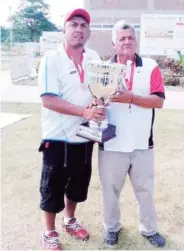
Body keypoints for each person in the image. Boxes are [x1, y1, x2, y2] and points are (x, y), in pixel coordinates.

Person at [38, 8, 104, 250]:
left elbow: (99, 91)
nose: (79, 29)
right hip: (56, 137)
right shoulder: (51, 59)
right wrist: (84, 112)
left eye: (83, 25)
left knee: (77, 184)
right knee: (52, 186)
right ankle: (49, 232)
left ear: (89, 32)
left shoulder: (94, 57)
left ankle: (69, 220)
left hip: (85, 135)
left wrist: (99, 105)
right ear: (64, 30)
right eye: (73, 24)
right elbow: (48, 100)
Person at [98, 20, 166, 247]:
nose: (127, 42)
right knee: (109, 190)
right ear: (113, 43)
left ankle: (149, 229)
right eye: (122, 38)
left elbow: (159, 100)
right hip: (110, 143)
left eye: (130, 38)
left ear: (136, 41)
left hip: (141, 142)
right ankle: (112, 227)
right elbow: (95, 99)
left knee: (145, 190)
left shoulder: (151, 66)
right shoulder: (102, 69)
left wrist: (132, 98)